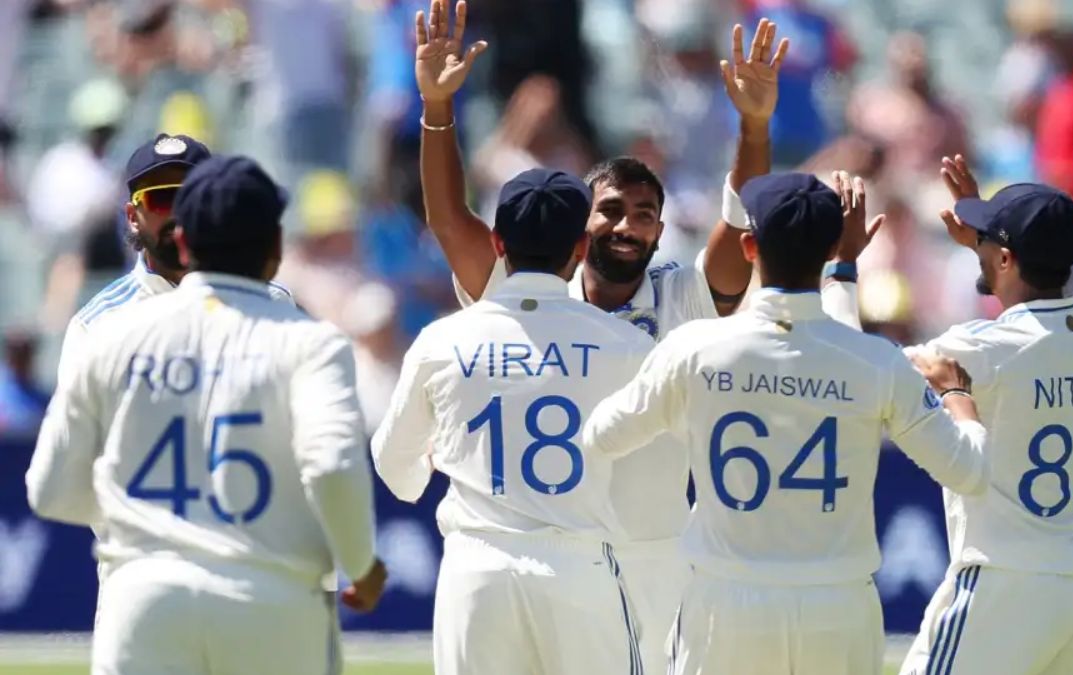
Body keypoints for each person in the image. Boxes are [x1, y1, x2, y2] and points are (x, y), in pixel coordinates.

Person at [414, 2, 872, 667]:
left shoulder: (681, 295)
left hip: (656, 557)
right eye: (611, 211)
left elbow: (740, 218)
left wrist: (752, 126)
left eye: (645, 214)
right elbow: (450, 220)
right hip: (556, 553)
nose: (628, 225)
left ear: (661, 230)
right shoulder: (532, 288)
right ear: (579, 223)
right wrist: (438, 111)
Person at [581, 171, 990, 675]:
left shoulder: (694, 348)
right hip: (838, 609)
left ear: (750, 246)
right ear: (826, 249)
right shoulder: (876, 363)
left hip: (724, 605)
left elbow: (601, 435)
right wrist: (957, 396)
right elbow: (968, 471)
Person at [26, 155, 386, 675]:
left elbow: (49, 490)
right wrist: (361, 564)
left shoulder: (111, 334)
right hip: (271, 593)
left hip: (143, 598)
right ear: (275, 249)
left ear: (185, 242)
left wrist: (145, 527)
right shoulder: (309, 339)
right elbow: (331, 466)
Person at [372, 168, 653, 675]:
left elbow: (393, 467)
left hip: (475, 568)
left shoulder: (443, 340)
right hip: (579, 565)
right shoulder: (627, 345)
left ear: (498, 242)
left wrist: (432, 463)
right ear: (580, 247)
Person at [889, 157, 1073, 674]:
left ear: (1004, 259)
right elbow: (1038, 332)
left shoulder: (978, 348)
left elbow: (875, 374)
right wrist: (989, 252)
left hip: (1000, 584)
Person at [57, 133, 293, 388]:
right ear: (132, 216)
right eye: (160, 199)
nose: (178, 213)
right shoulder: (97, 325)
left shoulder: (269, 301)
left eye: (189, 198)